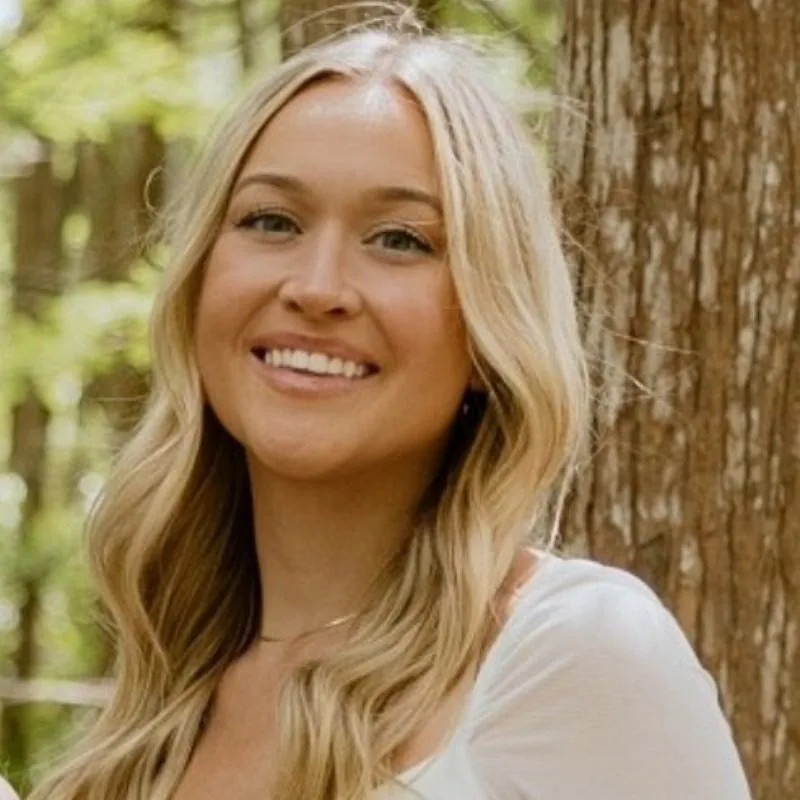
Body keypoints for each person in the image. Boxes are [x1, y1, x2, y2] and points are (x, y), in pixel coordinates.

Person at [23, 15, 752, 800]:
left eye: (400, 239)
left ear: (488, 324)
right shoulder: (159, 709)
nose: (317, 287)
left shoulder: (575, 651)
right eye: (272, 221)